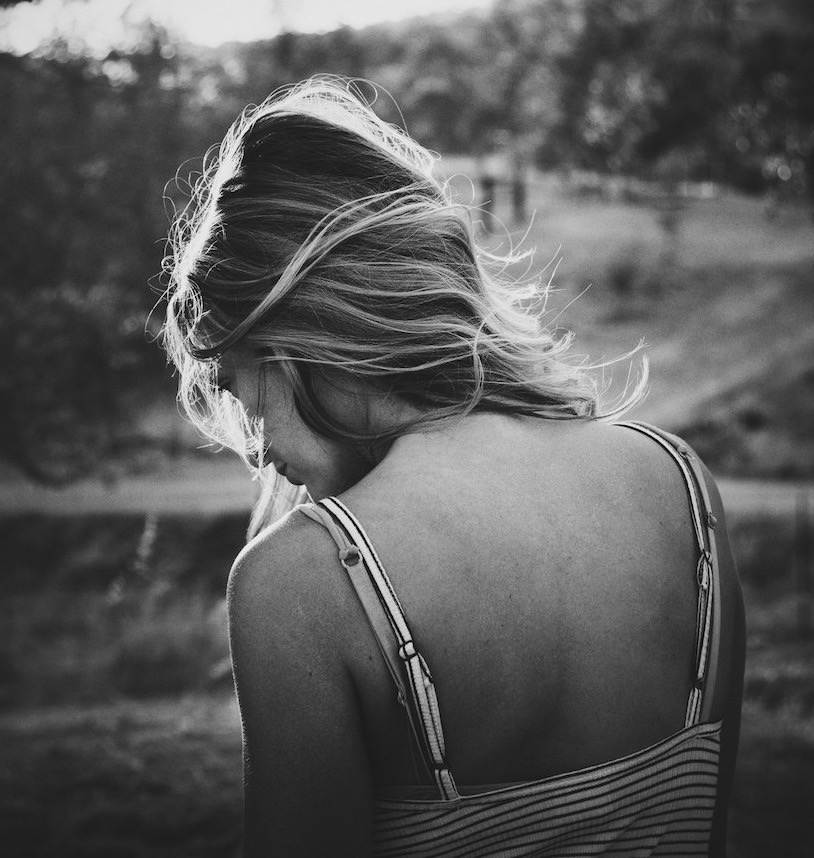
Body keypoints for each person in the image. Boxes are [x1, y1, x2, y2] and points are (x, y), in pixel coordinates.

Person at [161, 78, 745, 857]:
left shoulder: (301, 585)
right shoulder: (679, 485)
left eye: (240, 389)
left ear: (293, 339)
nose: (259, 447)